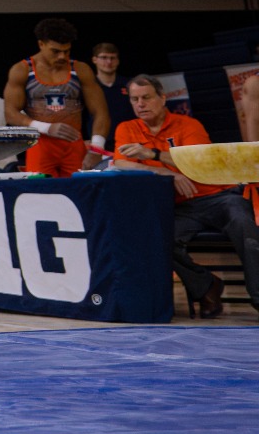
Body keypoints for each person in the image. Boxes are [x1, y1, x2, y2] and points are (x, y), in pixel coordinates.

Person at [111, 74, 259, 318]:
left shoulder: (188, 125)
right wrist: (163, 172)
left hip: (217, 197)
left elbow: (199, 163)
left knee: (247, 227)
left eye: (146, 98)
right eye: (135, 99)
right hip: (179, 205)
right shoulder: (127, 128)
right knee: (158, 239)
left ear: (162, 98)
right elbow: (121, 163)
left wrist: (154, 154)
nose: (140, 104)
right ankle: (206, 286)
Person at [3, 18, 109, 177]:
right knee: (41, 195)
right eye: (55, 51)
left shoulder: (80, 69)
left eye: (66, 51)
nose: (62, 56)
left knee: (78, 194)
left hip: (73, 144)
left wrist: (96, 149)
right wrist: (47, 128)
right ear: (41, 44)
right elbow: (10, 114)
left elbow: (101, 112)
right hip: (40, 145)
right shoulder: (22, 70)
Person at [88, 42, 129, 130]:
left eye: (112, 58)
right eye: (104, 57)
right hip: (99, 140)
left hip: (129, 138)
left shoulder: (129, 84)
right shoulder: (88, 86)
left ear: (118, 61)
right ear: (94, 60)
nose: (109, 62)